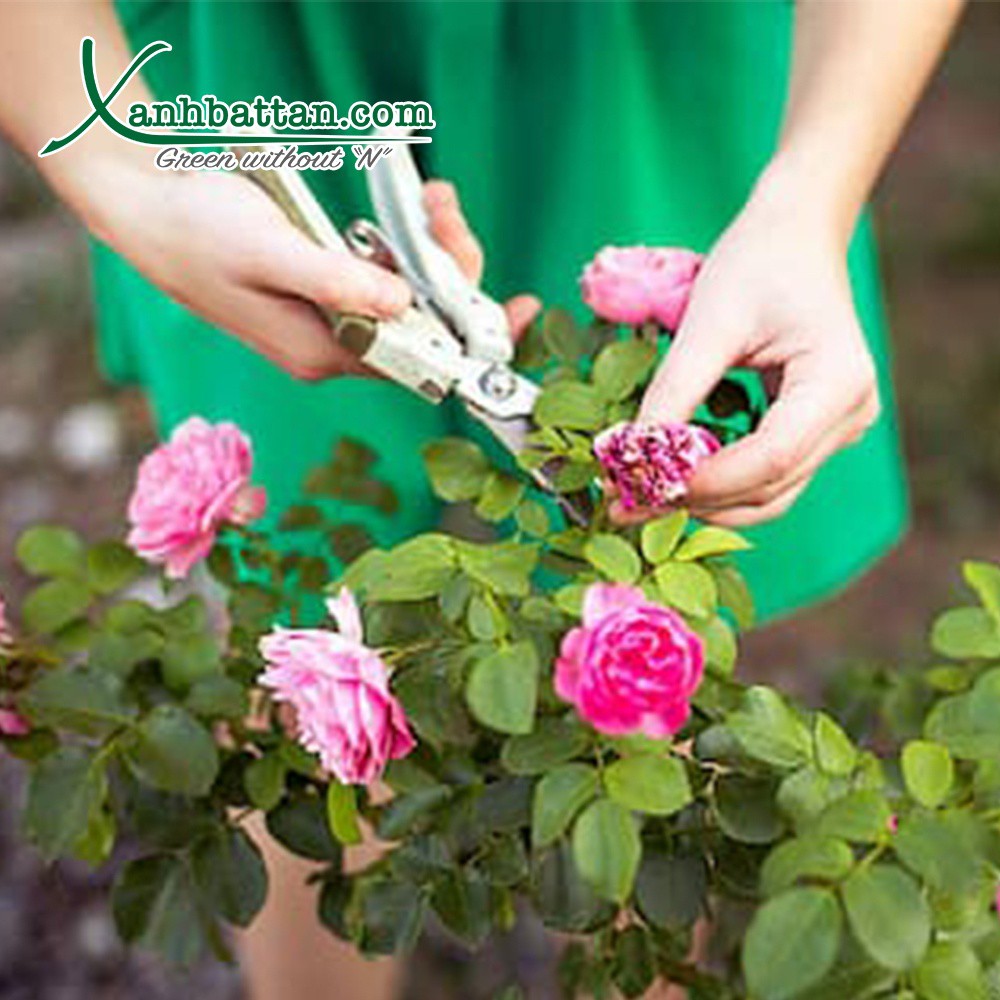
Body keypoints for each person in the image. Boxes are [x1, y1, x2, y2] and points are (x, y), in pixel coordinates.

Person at [0, 1, 965, 998]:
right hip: (268, 62)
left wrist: (809, 198)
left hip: (638, 62)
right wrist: (124, 172)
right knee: (296, 660)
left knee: (649, 662)